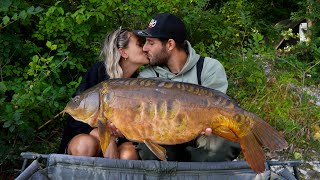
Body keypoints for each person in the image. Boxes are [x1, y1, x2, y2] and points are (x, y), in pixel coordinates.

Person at [134, 13, 241, 162]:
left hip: (203, 135)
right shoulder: (148, 76)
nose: (145, 48)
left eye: (150, 43)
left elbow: (218, 111)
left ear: (170, 44)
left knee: (223, 142)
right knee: (147, 143)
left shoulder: (208, 68)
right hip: (165, 135)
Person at [58, 28, 149, 159]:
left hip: (122, 142)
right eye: (140, 44)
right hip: (89, 138)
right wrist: (104, 136)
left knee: (129, 154)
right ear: (123, 52)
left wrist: (123, 131)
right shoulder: (98, 72)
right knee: (85, 145)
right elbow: (75, 117)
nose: (145, 48)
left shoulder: (142, 82)